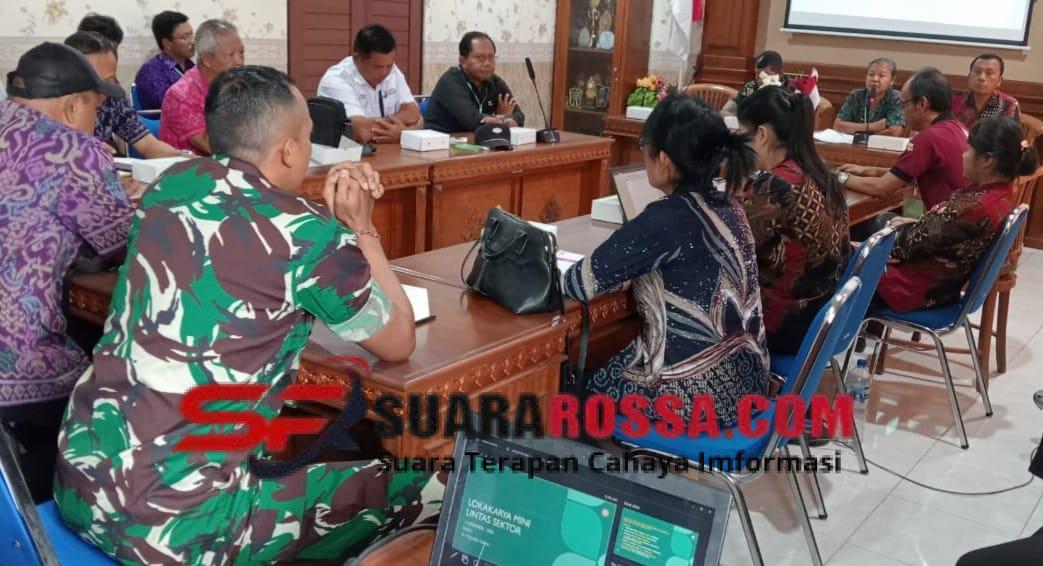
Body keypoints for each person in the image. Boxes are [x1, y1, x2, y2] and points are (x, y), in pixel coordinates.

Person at [54, 65, 442, 563]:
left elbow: (246, 228)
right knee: (425, 486)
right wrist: (360, 227)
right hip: (180, 529)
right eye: (308, 137)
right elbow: (399, 341)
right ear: (289, 150)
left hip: (80, 482)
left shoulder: (170, 186)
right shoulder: (308, 235)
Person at [562, 94, 770, 426]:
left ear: (664, 159)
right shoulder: (730, 206)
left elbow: (578, 283)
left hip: (699, 402)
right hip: (751, 387)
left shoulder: (668, 217)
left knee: (568, 393)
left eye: (644, 144)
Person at [0, 42, 134, 503]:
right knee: (123, 382)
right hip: (17, 366)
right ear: (73, 105)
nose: (96, 120)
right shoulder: (72, 150)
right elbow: (126, 243)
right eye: (95, 108)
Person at [875, 117, 1037, 313]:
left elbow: (906, 246)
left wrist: (893, 228)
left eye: (968, 150)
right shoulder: (998, 194)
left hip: (910, 289)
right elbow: (938, 230)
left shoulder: (976, 207)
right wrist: (913, 224)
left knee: (850, 250)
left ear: (987, 160)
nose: (963, 155)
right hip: (936, 282)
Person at [737, 87, 850, 355]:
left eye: (742, 135)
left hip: (784, 327)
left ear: (762, 134)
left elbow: (732, 248)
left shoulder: (775, 185)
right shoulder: (821, 174)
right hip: (823, 318)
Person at [837, 68, 968, 211]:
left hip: (947, 222)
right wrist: (867, 170)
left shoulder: (928, 138)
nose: (902, 111)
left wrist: (837, 177)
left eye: (903, 104)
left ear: (922, 104)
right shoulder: (957, 127)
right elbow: (906, 174)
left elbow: (881, 188)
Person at [64, 31, 182, 158]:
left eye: (110, 80)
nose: (103, 91)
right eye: (95, 82)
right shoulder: (53, 104)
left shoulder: (113, 98)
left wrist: (184, 157)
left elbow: (147, 145)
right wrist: (83, 149)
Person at [317, 24, 422, 143]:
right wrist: (401, 129)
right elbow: (360, 132)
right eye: (377, 67)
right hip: (347, 152)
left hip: (388, 150)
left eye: (389, 66)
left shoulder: (393, 72)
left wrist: (401, 133)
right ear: (356, 58)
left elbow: (414, 114)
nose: (384, 72)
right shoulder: (336, 80)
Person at [159, 19, 245, 154]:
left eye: (241, 52)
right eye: (231, 55)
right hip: (190, 166)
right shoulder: (181, 95)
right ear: (206, 59)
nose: (239, 62)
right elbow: (213, 146)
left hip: (226, 163)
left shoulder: (233, 84)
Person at [423, 31, 525, 132]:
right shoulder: (450, 81)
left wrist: (499, 119)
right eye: (480, 58)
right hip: (442, 139)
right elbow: (473, 122)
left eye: (491, 57)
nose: (487, 63)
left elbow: (520, 116)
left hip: (477, 139)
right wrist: (502, 117)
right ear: (462, 60)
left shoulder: (495, 82)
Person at [135, 11, 195, 111]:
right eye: (185, 37)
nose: (192, 41)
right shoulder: (150, 72)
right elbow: (170, 105)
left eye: (191, 35)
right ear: (167, 44)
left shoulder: (192, 66)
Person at [833, 57, 905, 136]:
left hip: (879, 143)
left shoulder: (895, 98)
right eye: (871, 75)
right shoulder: (856, 95)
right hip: (852, 142)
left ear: (892, 80)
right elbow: (838, 125)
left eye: (881, 76)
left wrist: (866, 137)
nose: (875, 79)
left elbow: (895, 132)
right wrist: (872, 126)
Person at [952, 54, 1021, 130]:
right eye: (977, 72)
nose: (981, 78)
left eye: (989, 73)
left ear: (999, 81)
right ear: (969, 76)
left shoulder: (1008, 104)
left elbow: (1010, 135)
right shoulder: (954, 99)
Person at [721, 50, 795, 116]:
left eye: (765, 74)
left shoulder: (791, 88)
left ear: (780, 73)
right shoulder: (751, 87)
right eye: (757, 74)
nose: (759, 79)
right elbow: (725, 111)